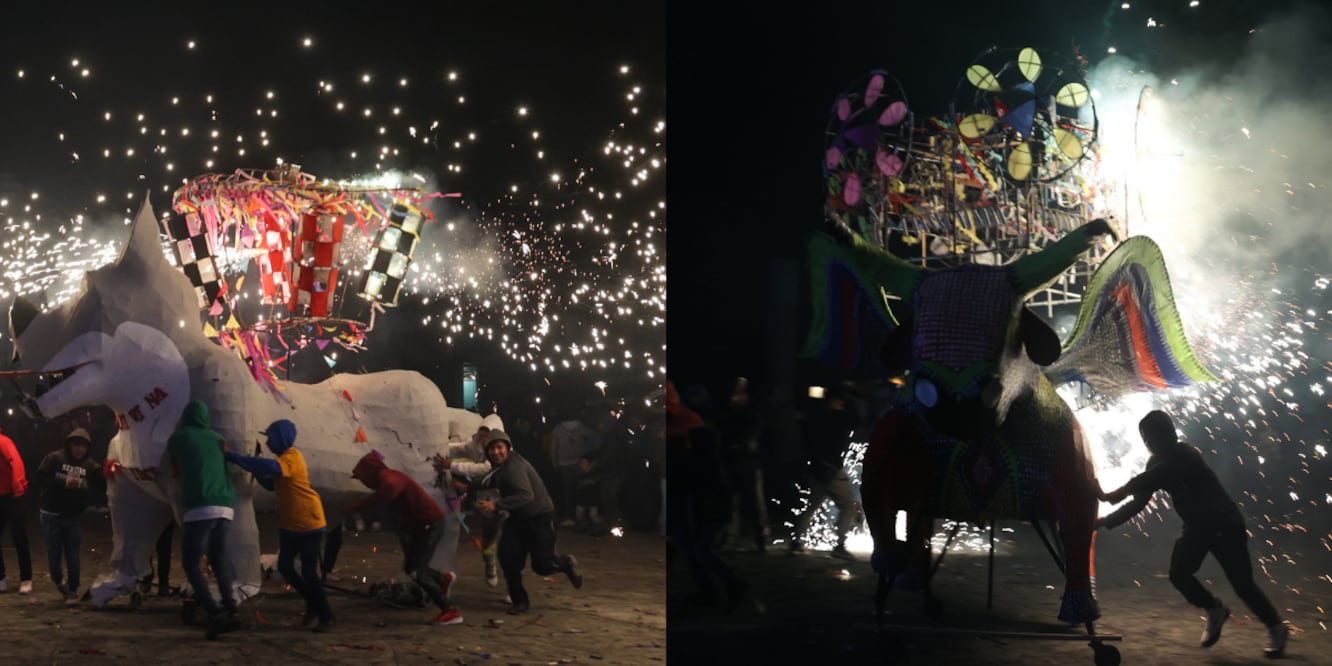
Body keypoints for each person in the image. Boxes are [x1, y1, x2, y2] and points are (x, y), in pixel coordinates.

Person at [1097, 410, 1289, 658]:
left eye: (1153, 434)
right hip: (1197, 528)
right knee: (1179, 574)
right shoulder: (1154, 463)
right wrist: (1103, 521)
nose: (1148, 441)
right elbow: (1138, 503)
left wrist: (1112, 495)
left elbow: (1159, 475)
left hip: (1223, 524)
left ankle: (1276, 627)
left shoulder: (1184, 454)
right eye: (1144, 436)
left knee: (1243, 585)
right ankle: (1214, 609)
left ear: (1169, 433)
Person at [224, 419, 334, 632]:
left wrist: (235, 457)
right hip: (291, 525)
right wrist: (254, 468)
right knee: (285, 567)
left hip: (309, 523)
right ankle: (313, 603)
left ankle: (326, 615)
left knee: (310, 574)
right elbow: (271, 483)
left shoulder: (291, 457)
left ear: (281, 438)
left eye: (270, 438)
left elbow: (271, 468)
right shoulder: (283, 461)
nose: (268, 443)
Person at [346, 450, 462, 626]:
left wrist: (358, 506)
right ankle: (443, 579)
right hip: (423, 527)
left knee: (418, 572)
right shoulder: (388, 478)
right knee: (410, 567)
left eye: (362, 478)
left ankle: (450, 611)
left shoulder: (389, 478)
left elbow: (391, 488)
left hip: (430, 525)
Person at [473, 430, 583, 614]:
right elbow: (487, 480)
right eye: (491, 448)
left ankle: (565, 564)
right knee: (509, 559)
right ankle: (520, 601)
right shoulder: (500, 467)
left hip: (539, 517)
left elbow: (526, 496)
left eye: (499, 447)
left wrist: (496, 505)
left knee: (542, 566)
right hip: (517, 518)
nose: (495, 452)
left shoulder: (513, 468)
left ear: (507, 447)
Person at [167, 400, 242, 640]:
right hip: (226, 506)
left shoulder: (180, 437)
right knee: (219, 559)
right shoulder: (218, 438)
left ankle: (214, 611)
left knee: (191, 563)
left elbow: (171, 462)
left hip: (200, 507)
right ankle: (231, 605)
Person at [789, 387, 862, 561]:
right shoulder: (836, 417)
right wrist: (851, 399)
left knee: (813, 505)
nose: (841, 404)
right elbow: (857, 421)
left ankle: (796, 541)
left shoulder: (816, 416)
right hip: (831, 470)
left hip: (817, 468)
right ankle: (839, 545)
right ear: (834, 401)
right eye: (839, 400)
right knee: (849, 505)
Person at [35, 427, 104, 603]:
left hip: (72, 517)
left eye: (83, 446)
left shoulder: (90, 465)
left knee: (73, 555)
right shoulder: (55, 458)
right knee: (54, 553)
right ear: (69, 444)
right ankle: (58, 581)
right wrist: (64, 481)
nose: (79, 449)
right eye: (76, 445)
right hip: (51, 514)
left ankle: (72, 590)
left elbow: (102, 482)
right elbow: (40, 478)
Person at [436, 423, 500, 586]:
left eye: (488, 435)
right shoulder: (476, 445)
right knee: (489, 540)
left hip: (505, 502)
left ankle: (515, 590)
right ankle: (490, 563)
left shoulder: (501, 453)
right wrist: (438, 446)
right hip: (486, 502)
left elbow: (482, 469)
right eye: (482, 434)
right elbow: (460, 448)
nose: (485, 438)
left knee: (509, 544)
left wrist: (452, 465)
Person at [716, 376, 771, 551]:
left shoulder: (753, 412)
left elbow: (757, 433)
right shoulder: (727, 413)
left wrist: (746, 443)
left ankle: (761, 537)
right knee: (731, 502)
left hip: (748, 463)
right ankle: (730, 537)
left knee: (755, 502)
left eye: (741, 393)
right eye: (735, 393)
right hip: (732, 462)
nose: (737, 397)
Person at [550, 411, 601, 526]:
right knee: (579, 491)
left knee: (567, 491)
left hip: (563, 463)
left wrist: (554, 462)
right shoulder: (581, 427)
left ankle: (569, 516)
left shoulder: (558, 429)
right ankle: (580, 516)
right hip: (579, 462)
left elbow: (553, 447)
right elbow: (595, 438)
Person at [0, 426, 33, 594]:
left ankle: (26, 578)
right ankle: (0, 578)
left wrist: (18, 486)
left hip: (12, 496)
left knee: (19, 538)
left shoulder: (3, 441)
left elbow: (15, 461)